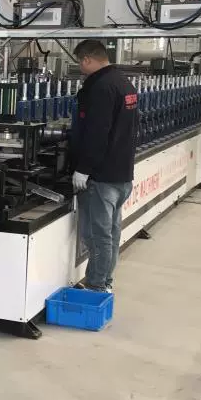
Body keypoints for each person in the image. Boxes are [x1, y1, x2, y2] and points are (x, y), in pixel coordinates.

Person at [70, 39, 139, 291]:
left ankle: (97, 285)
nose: (80, 68)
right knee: (111, 232)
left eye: (80, 62)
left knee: (96, 236)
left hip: (101, 177)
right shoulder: (124, 83)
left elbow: (97, 132)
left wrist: (84, 168)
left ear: (87, 59)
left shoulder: (100, 87)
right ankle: (104, 281)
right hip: (122, 173)